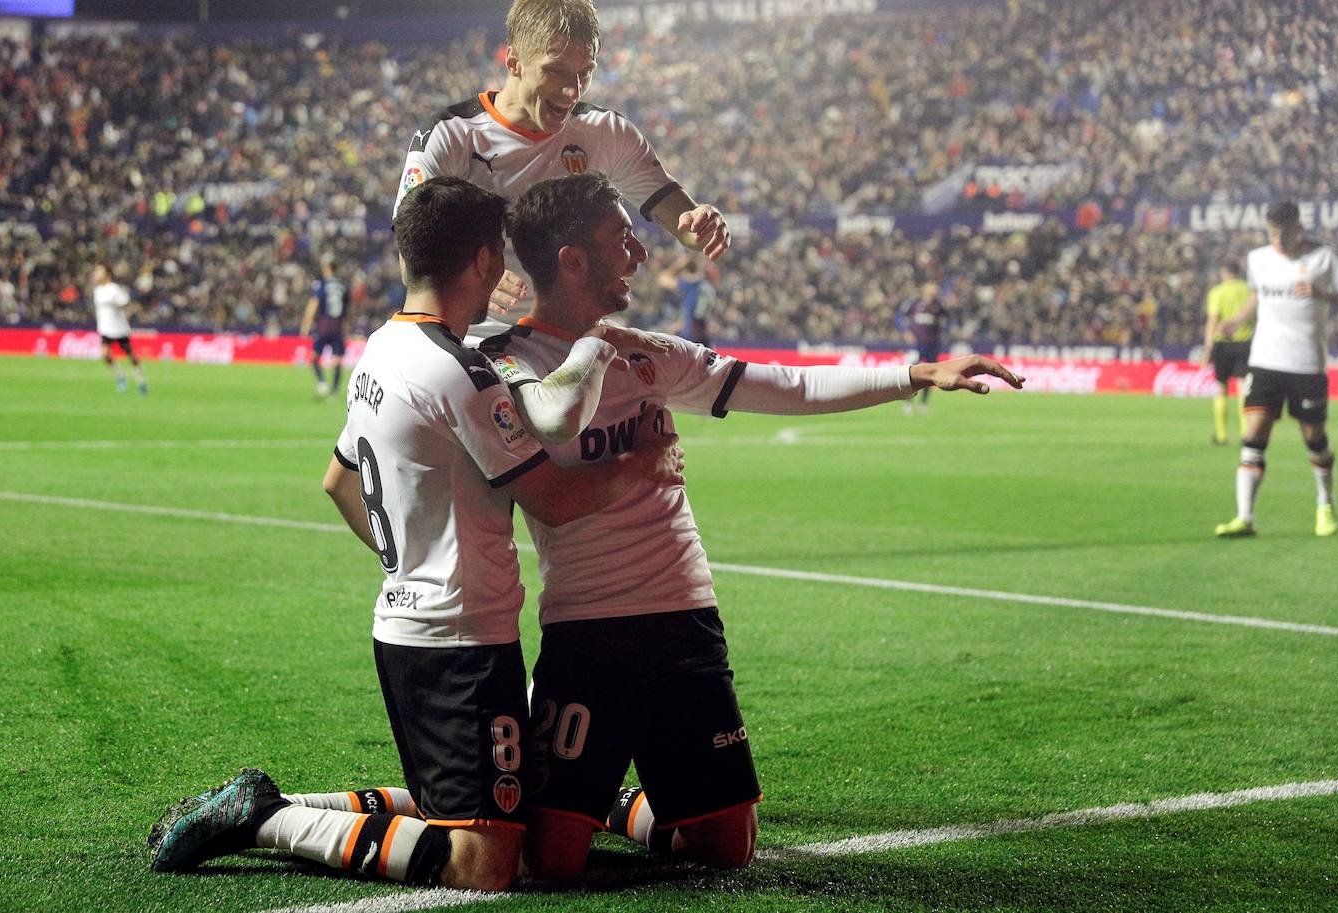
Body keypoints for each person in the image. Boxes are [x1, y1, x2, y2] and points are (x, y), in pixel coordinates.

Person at [147, 177, 686, 892]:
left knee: (476, 805)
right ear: (486, 262)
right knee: (484, 862)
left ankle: (285, 806)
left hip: (416, 625)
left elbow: (337, 481)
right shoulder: (460, 371)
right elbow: (553, 500)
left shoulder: (380, 350)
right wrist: (639, 465)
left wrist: (408, 561)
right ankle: (265, 819)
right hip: (460, 642)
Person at [480, 173, 1024, 879]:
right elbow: (542, 490)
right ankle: (600, 798)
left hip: (684, 616)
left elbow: (786, 384)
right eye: (624, 239)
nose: (640, 255)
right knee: (551, 863)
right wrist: (640, 464)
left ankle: (616, 801)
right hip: (585, 626)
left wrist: (917, 373)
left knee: (728, 849)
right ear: (572, 259)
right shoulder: (508, 363)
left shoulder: (650, 352)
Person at [392, 0, 731, 341]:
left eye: (585, 73)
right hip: (478, 340)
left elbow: (684, 225)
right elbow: (411, 255)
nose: (572, 90)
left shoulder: (606, 132)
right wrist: (468, 275)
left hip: (574, 341)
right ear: (514, 61)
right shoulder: (450, 134)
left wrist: (700, 226)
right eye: (555, 71)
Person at [1215, 201, 1338, 539]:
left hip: (1306, 364)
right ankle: (1245, 517)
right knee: (1253, 436)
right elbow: (1257, 297)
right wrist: (1236, 320)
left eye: (1283, 233)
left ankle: (1325, 504)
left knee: (1314, 437)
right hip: (1265, 360)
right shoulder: (1258, 259)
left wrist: (1323, 294)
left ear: (1299, 228)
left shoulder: (1325, 257)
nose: (1277, 241)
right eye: (1272, 234)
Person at [1202, 259, 1252, 445]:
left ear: (1224, 272)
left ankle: (1221, 435)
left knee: (1221, 388)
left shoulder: (1217, 292)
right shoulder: (1248, 290)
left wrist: (1208, 348)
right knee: (1243, 388)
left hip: (1222, 343)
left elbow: (1213, 320)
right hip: (1245, 342)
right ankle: (1246, 433)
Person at [91, 263, 148, 395]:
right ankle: (120, 375)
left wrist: (124, 306)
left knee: (131, 356)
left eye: (99, 271)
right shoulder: (97, 291)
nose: (96, 274)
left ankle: (141, 381)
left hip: (119, 329)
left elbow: (125, 302)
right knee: (104, 355)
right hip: (106, 329)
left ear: (108, 275)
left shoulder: (114, 289)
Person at [299, 257, 352, 398]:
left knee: (315, 355)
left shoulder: (321, 284)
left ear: (327, 268)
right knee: (337, 360)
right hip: (338, 326)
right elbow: (347, 311)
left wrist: (306, 323)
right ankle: (334, 392)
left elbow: (314, 303)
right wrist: (346, 329)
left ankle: (322, 382)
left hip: (324, 324)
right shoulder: (343, 285)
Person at [896, 281, 947, 414]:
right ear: (925, 290)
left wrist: (942, 333)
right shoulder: (914, 304)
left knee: (930, 375)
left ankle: (923, 404)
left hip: (932, 345)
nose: (935, 291)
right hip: (916, 345)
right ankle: (907, 402)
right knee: (911, 374)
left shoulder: (939, 307)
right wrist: (906, 331)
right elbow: (899, 317)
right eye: (932, 288)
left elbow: (949, 321)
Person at [657, 251, 717, 345]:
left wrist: (680, 263)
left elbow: (663, 279)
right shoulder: (707, 287)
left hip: (689, 338)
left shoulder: (690, 284)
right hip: (703, 338)